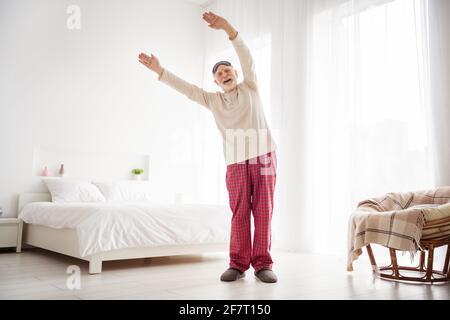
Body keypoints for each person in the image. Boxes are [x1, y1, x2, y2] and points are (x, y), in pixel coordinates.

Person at [138, 11, 278, 283]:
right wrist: (159, 71)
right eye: (219, 73)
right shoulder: (213, 100)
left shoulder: (250, 87)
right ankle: (237, 264)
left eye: (228, 70)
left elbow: (246, 55)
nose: (224, 74)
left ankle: (263, 264)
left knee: (263, 211)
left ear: (236, 74)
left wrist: (227, 28)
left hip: (264, 158)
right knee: (239, 214)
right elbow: (187, 89)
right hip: (236, 161)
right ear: (215, 81)